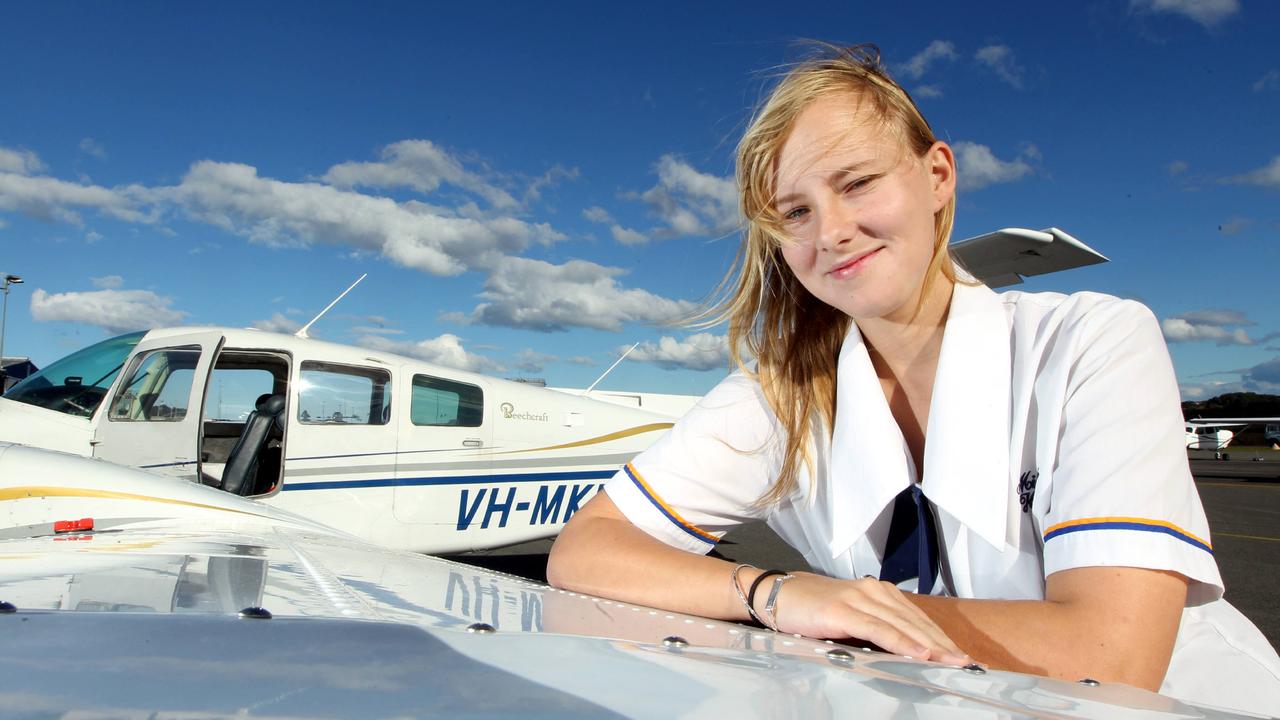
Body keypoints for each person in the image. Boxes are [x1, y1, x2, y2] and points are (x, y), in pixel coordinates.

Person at [547, 44, 1280, 714]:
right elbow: (585, 549)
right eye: (795, 212)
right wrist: (779, 593)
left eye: (857, 182)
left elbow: (1111, 656)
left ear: (937, 176)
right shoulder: (781, 395)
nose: (830, 231)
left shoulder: (1091, 341)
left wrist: (852, 618)